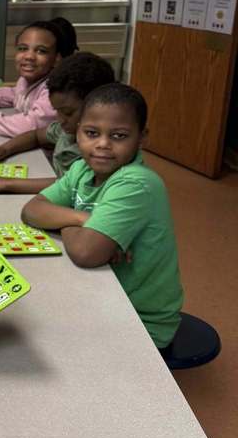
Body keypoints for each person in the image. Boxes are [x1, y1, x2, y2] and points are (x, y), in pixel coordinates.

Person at [21, 83, 184, 350]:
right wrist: (83, 220)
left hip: (138, 321)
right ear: (78, 132)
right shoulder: (81, 170)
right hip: (100, 295)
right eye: (92, 133)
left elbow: (86, 253)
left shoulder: (135, 184)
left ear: (142, 138)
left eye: (119, 136)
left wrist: (65, 221)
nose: (103, 145)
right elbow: (32, 210)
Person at [0, 52, 115, 193]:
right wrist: (4, 149)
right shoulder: (67, 130)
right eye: (57, 111)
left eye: (68, 113)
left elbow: (68, 185)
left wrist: (3, 182)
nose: (60, 119)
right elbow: (35, 136)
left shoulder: (101, 151)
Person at [0, 17, 77, 136]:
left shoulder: (55, 91)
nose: (29, 56)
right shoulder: (26, 80)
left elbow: (32, 124)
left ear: (57, 59)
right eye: (23, 48)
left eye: (41, 51)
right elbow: (16, 94)